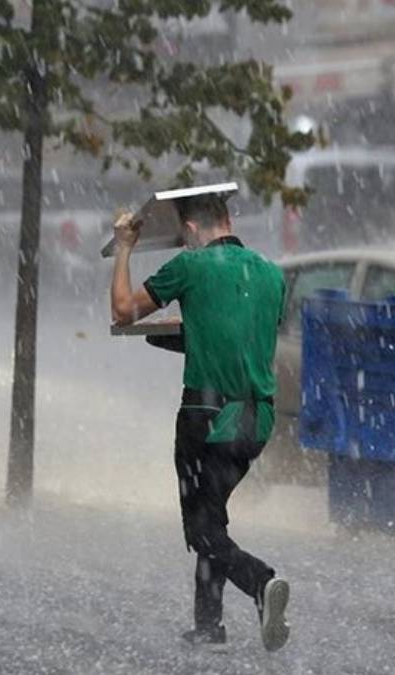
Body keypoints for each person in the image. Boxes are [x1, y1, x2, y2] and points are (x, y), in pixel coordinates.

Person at [109, 193, 291, 652]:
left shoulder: (190, 267)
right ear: (228, 219)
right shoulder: (271, 274)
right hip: (256, 421)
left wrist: (125, 246)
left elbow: (122, 310)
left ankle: (260, 582)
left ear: (189, 229)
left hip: (206, 418)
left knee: (202, 530)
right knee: (212, 516)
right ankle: (209, 626)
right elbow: (241, 338)